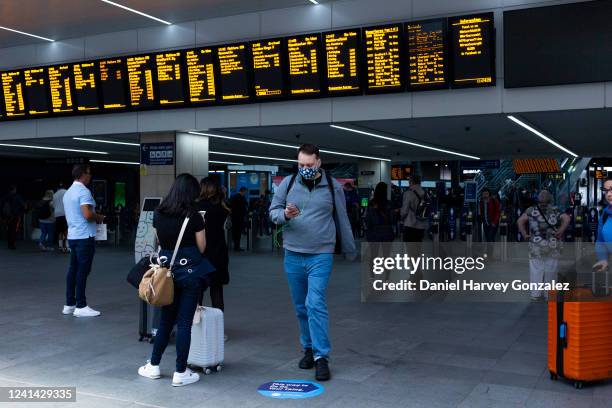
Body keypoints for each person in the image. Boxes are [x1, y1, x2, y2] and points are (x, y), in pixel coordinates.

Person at [269, 144, 356, 382]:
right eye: (301, 165)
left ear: (319, 162)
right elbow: (273, 211)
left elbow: (342, 217)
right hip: (293, 253)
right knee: (301, 307)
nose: (305, 169)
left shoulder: (332, 186)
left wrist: (349, 248)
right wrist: (284, 215)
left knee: (315, 303)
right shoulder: (287, 183)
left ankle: (321, 358)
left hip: (321, 253)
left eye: (309, 165)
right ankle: (307, 348)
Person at [138, 173, 215, 387]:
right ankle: (181, 371)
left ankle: (153, 365)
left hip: (167, 273)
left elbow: (162, 242)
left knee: (165, 321)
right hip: (190, 274)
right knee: (184, 324)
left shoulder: (158, 213)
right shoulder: (194, 216)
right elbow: (201, 248)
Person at [62, 164, 105, 317]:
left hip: (73, 236)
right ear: (82, 174)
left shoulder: (68, 193)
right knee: (82, 271)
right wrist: (99, 217)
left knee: (73, 269)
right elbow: (87, 215)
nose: (90, 175)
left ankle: (69, 304)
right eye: (89, 173)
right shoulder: (84, 191)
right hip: (84, 237)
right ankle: (81, 305)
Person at [517, 189, 570, 301]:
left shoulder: (531, 210)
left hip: (535, 246)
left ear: (538, 198)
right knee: (551, 270)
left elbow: (520, 221)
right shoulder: (555, 210)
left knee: (536, 269)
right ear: (550, 199)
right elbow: (567, 218)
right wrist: (560, 230)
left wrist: (525, 234)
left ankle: (536, 294)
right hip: (552, 246)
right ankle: (549, 295)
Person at [197, 177, 230, 314]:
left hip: (200, 253)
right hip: (218, 253)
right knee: (217, 291)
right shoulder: (223, 207)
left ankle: (195, 326)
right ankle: (218, 328)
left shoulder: (196, 208)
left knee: (197, 291)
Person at [366, 182, 395, 280]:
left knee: (374, 254)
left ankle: (372, 275)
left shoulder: (371, 203)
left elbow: (368, 220)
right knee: (387, 255)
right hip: (387, 231)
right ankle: (387, 276)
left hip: (374, 231)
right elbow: (392, 219)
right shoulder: (389, 204)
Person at [400, 175, 428, 242]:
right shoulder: (425, 193)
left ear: (411, 182)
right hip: (421, 225)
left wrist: (401, 218)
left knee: (410, 249)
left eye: (409, 182)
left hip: (410, 225)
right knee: (418, 248)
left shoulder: (408, 193)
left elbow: (404, 211)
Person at [594, 177, 612, 272]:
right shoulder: (605, 215)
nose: (608, 194)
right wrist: (603, 259)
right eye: (606, 191)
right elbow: (600, 241)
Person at [0, 185, 26, 250]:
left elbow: (1, 205)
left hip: (7, 215)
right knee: (14, 230)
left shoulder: (5, 196)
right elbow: (23, 205)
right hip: (15, 215)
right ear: (14, 190)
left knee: (9, 229)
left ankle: (9, 243)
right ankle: (12, 244)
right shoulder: (17, 196)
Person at [479, 188, 501, 256]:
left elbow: (498, 212)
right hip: (485, 223)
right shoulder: (481, 202)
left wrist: (494, 222)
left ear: (489, 194)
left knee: (490, 238)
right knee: (488, 239)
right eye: (484, 194)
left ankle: (490, 255)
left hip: (493, 224)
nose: (485, 195)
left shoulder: (494, 200)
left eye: (486, 193)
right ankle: (489, 254)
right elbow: (481, 212)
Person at [229, 187, 248, 251]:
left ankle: (235, 246)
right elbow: (245, 204)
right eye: (245, 192)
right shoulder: (241, 197)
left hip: (234, 217)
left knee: (234, 232)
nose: (245, 193)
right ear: (243, 191)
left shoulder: (233, 197)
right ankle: (237, 247)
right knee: (238, 232)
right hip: (239, 217)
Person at [54, 183, 68, 253]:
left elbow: (54, 205)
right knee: (66, 231)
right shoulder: (67, 192)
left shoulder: (55, 194)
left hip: (57, 214)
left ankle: (60, 246)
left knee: (60, 231)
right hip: (65, 214)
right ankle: (67, 246)